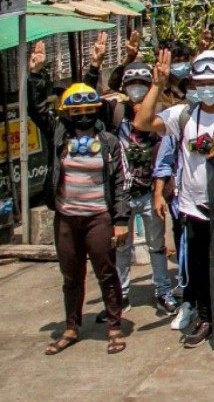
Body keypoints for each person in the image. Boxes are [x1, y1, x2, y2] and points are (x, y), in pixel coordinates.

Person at [133, 49, 214, 348]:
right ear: (193, 83)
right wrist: (157, 85)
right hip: (193, 206)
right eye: (201, 83)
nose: (207, 88)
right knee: (199, 267)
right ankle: (205, 318)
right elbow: (142, 122)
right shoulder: (182, 115)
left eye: (213, 82)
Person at [32, 80, 130, 356]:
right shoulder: (59, 137)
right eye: (77, 111)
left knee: (106, 273)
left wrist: (121, 221)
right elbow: (37, 110)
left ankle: (114, 327)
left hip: (98, 217)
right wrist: (36, 75)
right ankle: (71, 327)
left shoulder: (109, 142)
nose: (83, 116)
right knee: (71, 276)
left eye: (89, 110)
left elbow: (121, 183)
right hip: (66, 218)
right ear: (67, 113)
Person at [106, 62, 177, 317]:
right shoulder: (115, 115)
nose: (137, 90)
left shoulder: (159, 117)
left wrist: (161, 191)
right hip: (122, 195)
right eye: (132, 85)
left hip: (150, 192)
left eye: (143, 85)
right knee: (121, 247)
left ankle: (163, 291)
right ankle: (121, 295)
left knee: (156, 245)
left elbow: (166, 155)